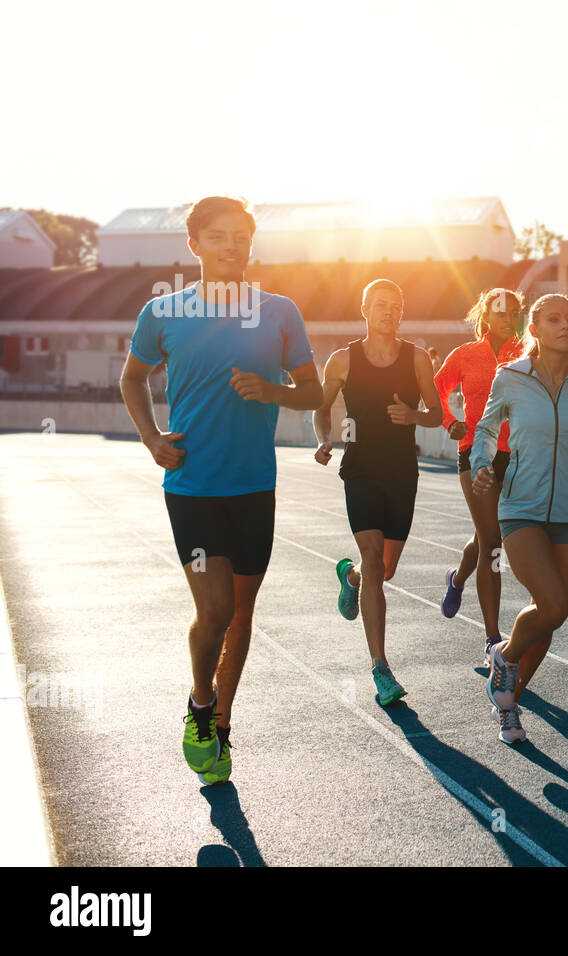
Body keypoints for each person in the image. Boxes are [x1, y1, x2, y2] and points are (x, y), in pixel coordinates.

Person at [119, 196, 322, 785]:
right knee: (215, 609)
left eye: (241, 236)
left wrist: (273, 390)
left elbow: (312, 393)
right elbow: (133, 377)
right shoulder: (163, 313)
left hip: (255, 487)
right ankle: (201, 704)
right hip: (192, 485)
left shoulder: (279, 311)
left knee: (241, 614)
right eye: (218, 236)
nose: (232, 245)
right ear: (195, 245)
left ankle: (224, 724)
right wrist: (151, 437)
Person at [472, 293, 568, 743]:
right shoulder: (510, 378)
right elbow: (486, 428)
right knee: (554, 604)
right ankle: (505, 655)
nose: (565, 325)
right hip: (521, 509)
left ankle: (508, 701)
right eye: (553, 319)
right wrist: (480, 461)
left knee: (549, 618)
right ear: (533, 328)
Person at [313, 279, 450, 706]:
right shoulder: (343, 360)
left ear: (401, 313)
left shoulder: (416, 360)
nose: (388, 311)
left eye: (395, 305)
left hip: (401, 474)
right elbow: (322, 406)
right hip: (360, 471)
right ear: (366, 310)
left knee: (382, 572)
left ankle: (349, 577)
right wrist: (323, 439)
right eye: (381, 305)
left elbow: (437, 414)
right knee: (374, 560)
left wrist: (413, 414)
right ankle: (380, 667)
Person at [433, 289, 525, 664]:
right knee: (492, 541)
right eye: (500, 311)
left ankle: (456, 579)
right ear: (486, 316)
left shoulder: (528, 356)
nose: (507, 317)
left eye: (514, 312)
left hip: (518, 456)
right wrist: (450, 421)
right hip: (476, 453)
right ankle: (492, 639)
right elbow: (435, 390)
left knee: (487, 535)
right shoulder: (465, 355)